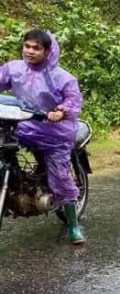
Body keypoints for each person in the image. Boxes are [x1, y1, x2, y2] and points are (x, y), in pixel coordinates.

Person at [0, 29, 85, 243]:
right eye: (26, 47)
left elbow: (73, 101)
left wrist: (61, 111)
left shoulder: (62, 77)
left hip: (54, 133)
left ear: (47, 51)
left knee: (60, 177)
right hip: (22, 125)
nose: (29, 51)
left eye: (36, 48)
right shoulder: (14, 69)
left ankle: (73, 226)